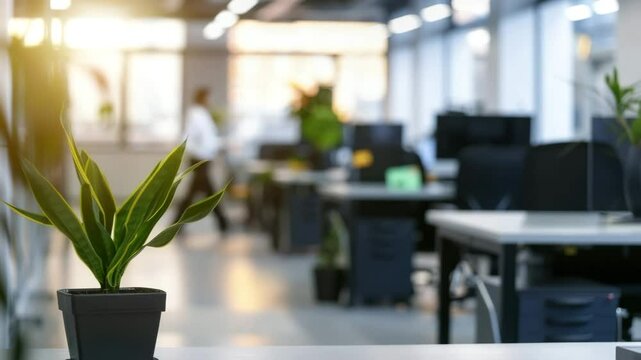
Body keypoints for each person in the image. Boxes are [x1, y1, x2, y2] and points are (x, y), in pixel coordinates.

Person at [174, 87, 229, 234]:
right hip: (200, 160)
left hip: (203, 159)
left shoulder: (201, 114)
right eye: (208, 98)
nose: (210, 101)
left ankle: (177, 223)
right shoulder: (197, 115)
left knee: (200, 193)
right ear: (203, 98)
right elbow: (195, 138)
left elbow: (208, 139)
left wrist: (221, 144)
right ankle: (222, 222)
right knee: (205, 194)